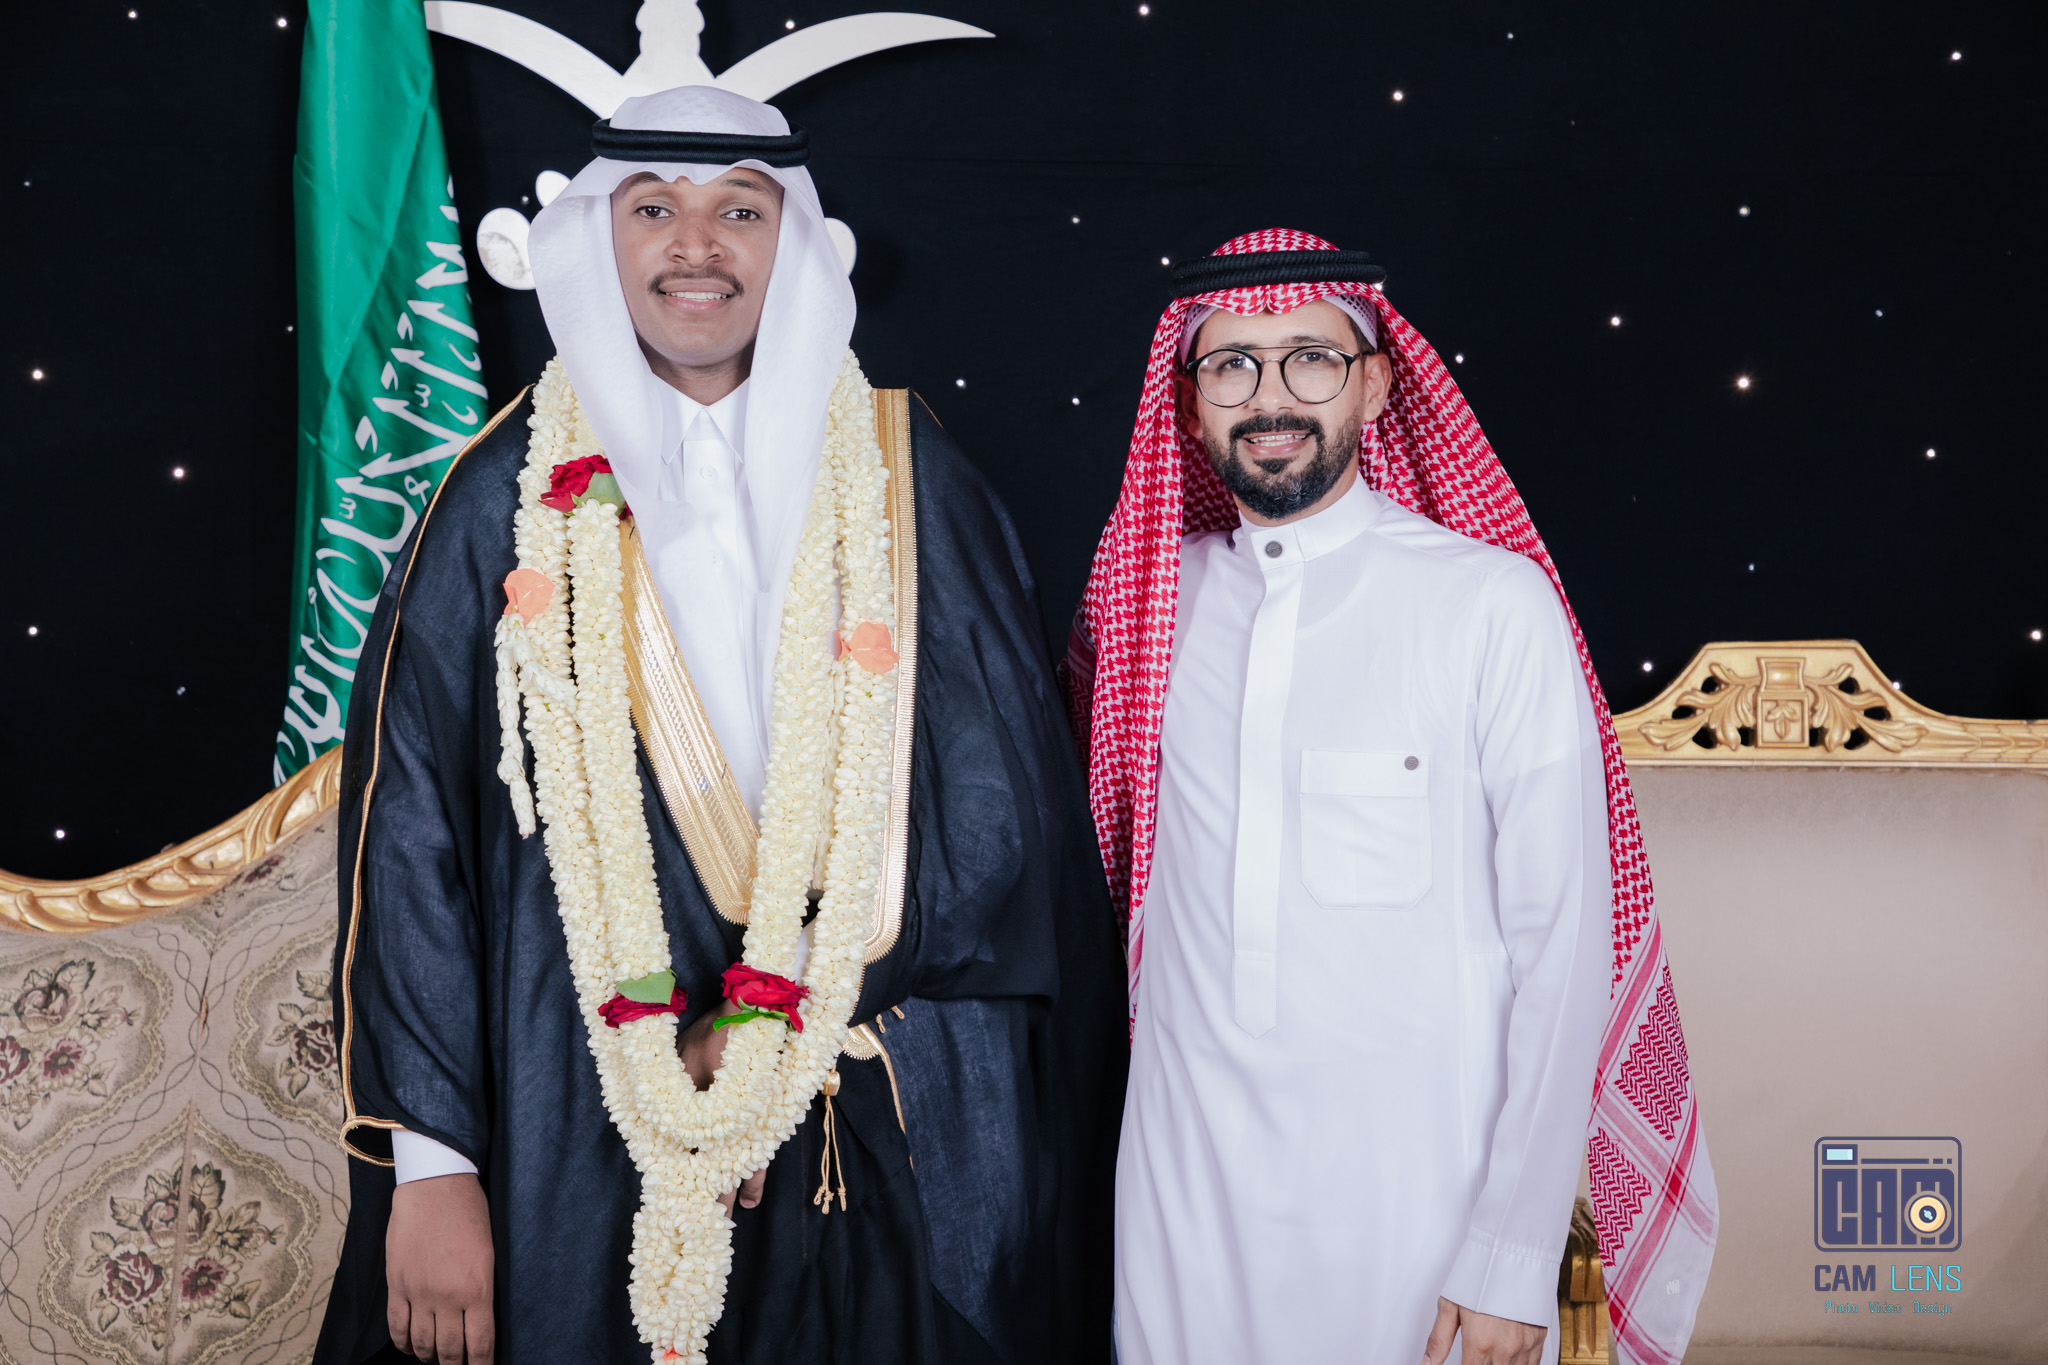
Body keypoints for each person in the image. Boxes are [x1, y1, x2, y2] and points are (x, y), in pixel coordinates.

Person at [314, 86, 1126, 1365]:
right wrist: (433, 1169)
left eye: (739, 210)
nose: (695, 245)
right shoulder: (497, 502)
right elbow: (411, 849)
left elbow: (1000, 818)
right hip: (578, 1111)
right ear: (598, 237)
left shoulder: (907, 476)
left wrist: (772, 1028)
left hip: (875, 1102)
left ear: (791, 239)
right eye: (653, 210)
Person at [1065, 229, 1718, 1365]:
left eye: (1311, 359)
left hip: (1419, 1201)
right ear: (1190, 400)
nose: (1270, 397)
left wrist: (1512, 1250)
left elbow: (1565, 946)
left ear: (1374, 384)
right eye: (1232, 365)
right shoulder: (1146, 614)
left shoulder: (1487, 604)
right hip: (1180, 1193)